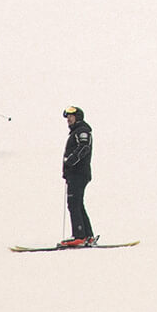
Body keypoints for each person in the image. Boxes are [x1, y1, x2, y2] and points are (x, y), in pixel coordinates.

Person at [60, 106, 96, 247]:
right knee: (78, 204)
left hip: (78, 174)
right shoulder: (77, 132)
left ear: (78, 117)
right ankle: (87, 235)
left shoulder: (82, 131)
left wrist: (70, 160)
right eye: (67, 117)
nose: (68, 119)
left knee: (74, 204)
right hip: (76, 174)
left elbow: (84, 147)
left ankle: (79, 236)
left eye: (71, 116)